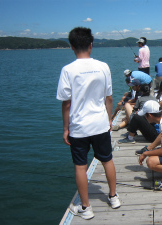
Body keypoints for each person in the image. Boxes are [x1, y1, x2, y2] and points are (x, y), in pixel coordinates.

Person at [56, 27, 120, 220]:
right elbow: (109, 98)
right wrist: (109, 119)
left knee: (80, 166)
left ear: (72, 47)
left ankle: (86, 207)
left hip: (79, 128)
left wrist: (66, 128)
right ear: (91, 45)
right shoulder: (103, 66)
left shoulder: (68, 70)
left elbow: (66, 103)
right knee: (107, 159)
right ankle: (113, 197)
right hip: (100, 124)